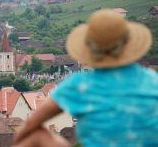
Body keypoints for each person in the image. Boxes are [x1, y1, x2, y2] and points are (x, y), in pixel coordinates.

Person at [13, 9, 158, 147]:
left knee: (36, 135)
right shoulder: (152, 81)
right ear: (128, 44)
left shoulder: (81, 85)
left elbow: (30, 124)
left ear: (90, 48)